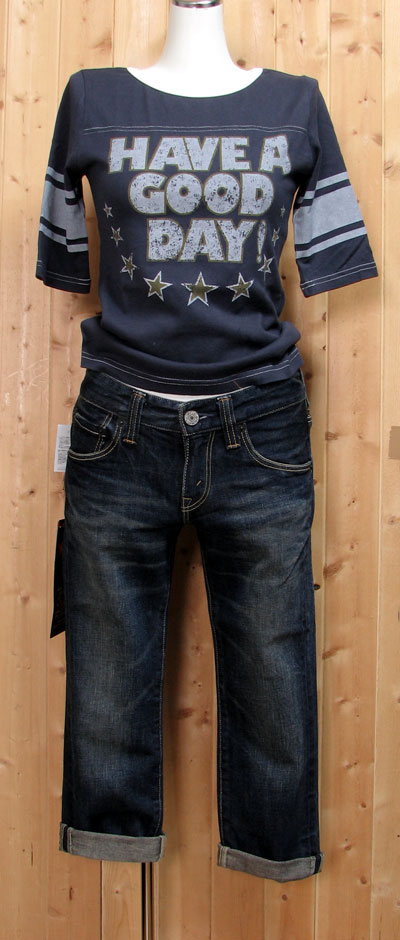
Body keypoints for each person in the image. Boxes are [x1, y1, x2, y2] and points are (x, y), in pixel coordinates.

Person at [36, 0, 377, 881]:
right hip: (120, 424)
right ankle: (112, 837)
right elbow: (66, 259)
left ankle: (270, 849)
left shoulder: (296, 105)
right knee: (106, 666)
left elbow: (330, 256)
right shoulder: (90, 99)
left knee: (273, 664)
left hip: (258, 426)